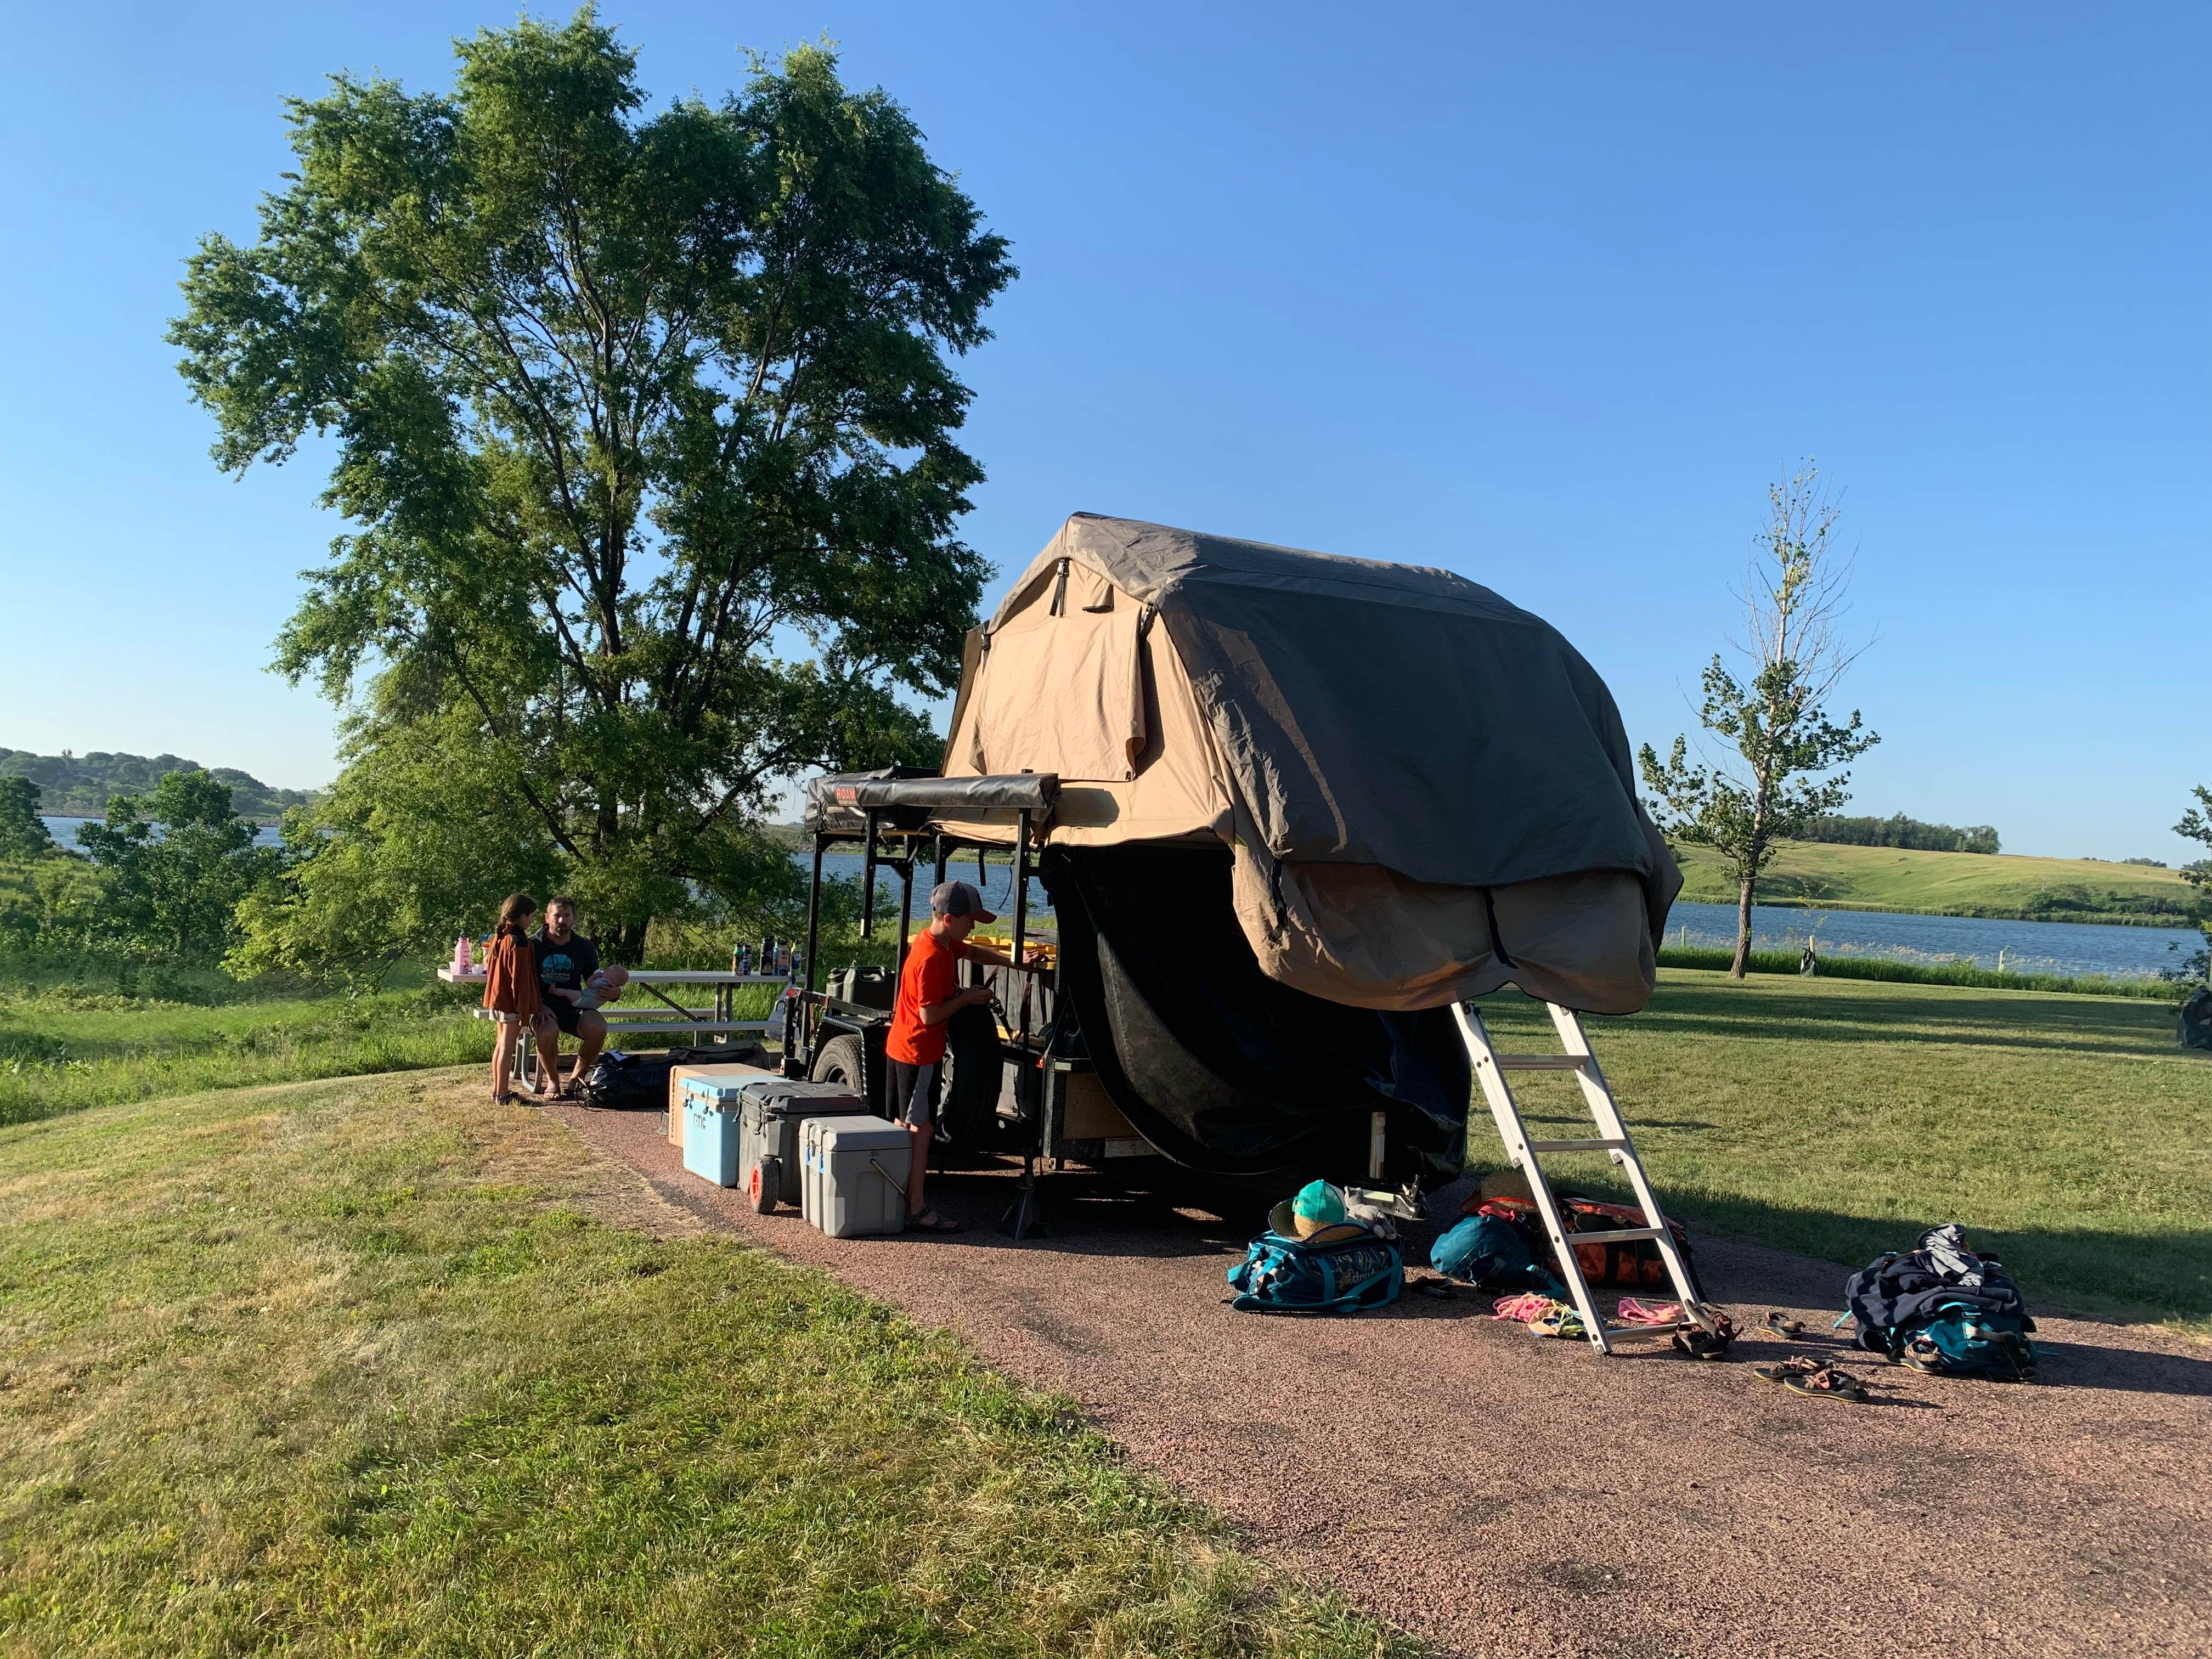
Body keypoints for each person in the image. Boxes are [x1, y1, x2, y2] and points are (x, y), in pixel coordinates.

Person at [884, 879, 1038, 1234]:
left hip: (902, 1047)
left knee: (904, 1124)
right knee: (920, 1129)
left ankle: (896, 1202)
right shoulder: (930, 958)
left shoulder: (939, 940)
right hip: (918, 1052)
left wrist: (1014, 962)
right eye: (970, 921)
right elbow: (930, 1016)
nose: (973, 927)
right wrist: (967, 998)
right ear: (950, 919)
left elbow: (974, 953)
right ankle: (916, 1209)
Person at [530, 896, 611, 1099]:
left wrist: (613, 993)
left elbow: (594, 980)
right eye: (557, 915)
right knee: (548, 1031)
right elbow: (524, 982)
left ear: (574, 918)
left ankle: (576, 1079)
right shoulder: (532, 945)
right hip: (541, 1006)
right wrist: (538, 1005)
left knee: (598, 1027)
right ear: (547, 918)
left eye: (567, 916)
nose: (562, 921)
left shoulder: (583, 947)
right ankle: (553, 1081)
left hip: (575, 1004)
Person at [480, 892, 544, 1104]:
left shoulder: (499, 937)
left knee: (500, 1045)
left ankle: (498, 1091)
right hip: (511, 1003)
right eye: (531, 916)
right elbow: (521, 981)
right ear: (522, 916)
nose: (532, 920)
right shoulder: (518, 943)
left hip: (498, 999)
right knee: (507, 1047)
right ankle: (503, 1094)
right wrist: (524, 1012)